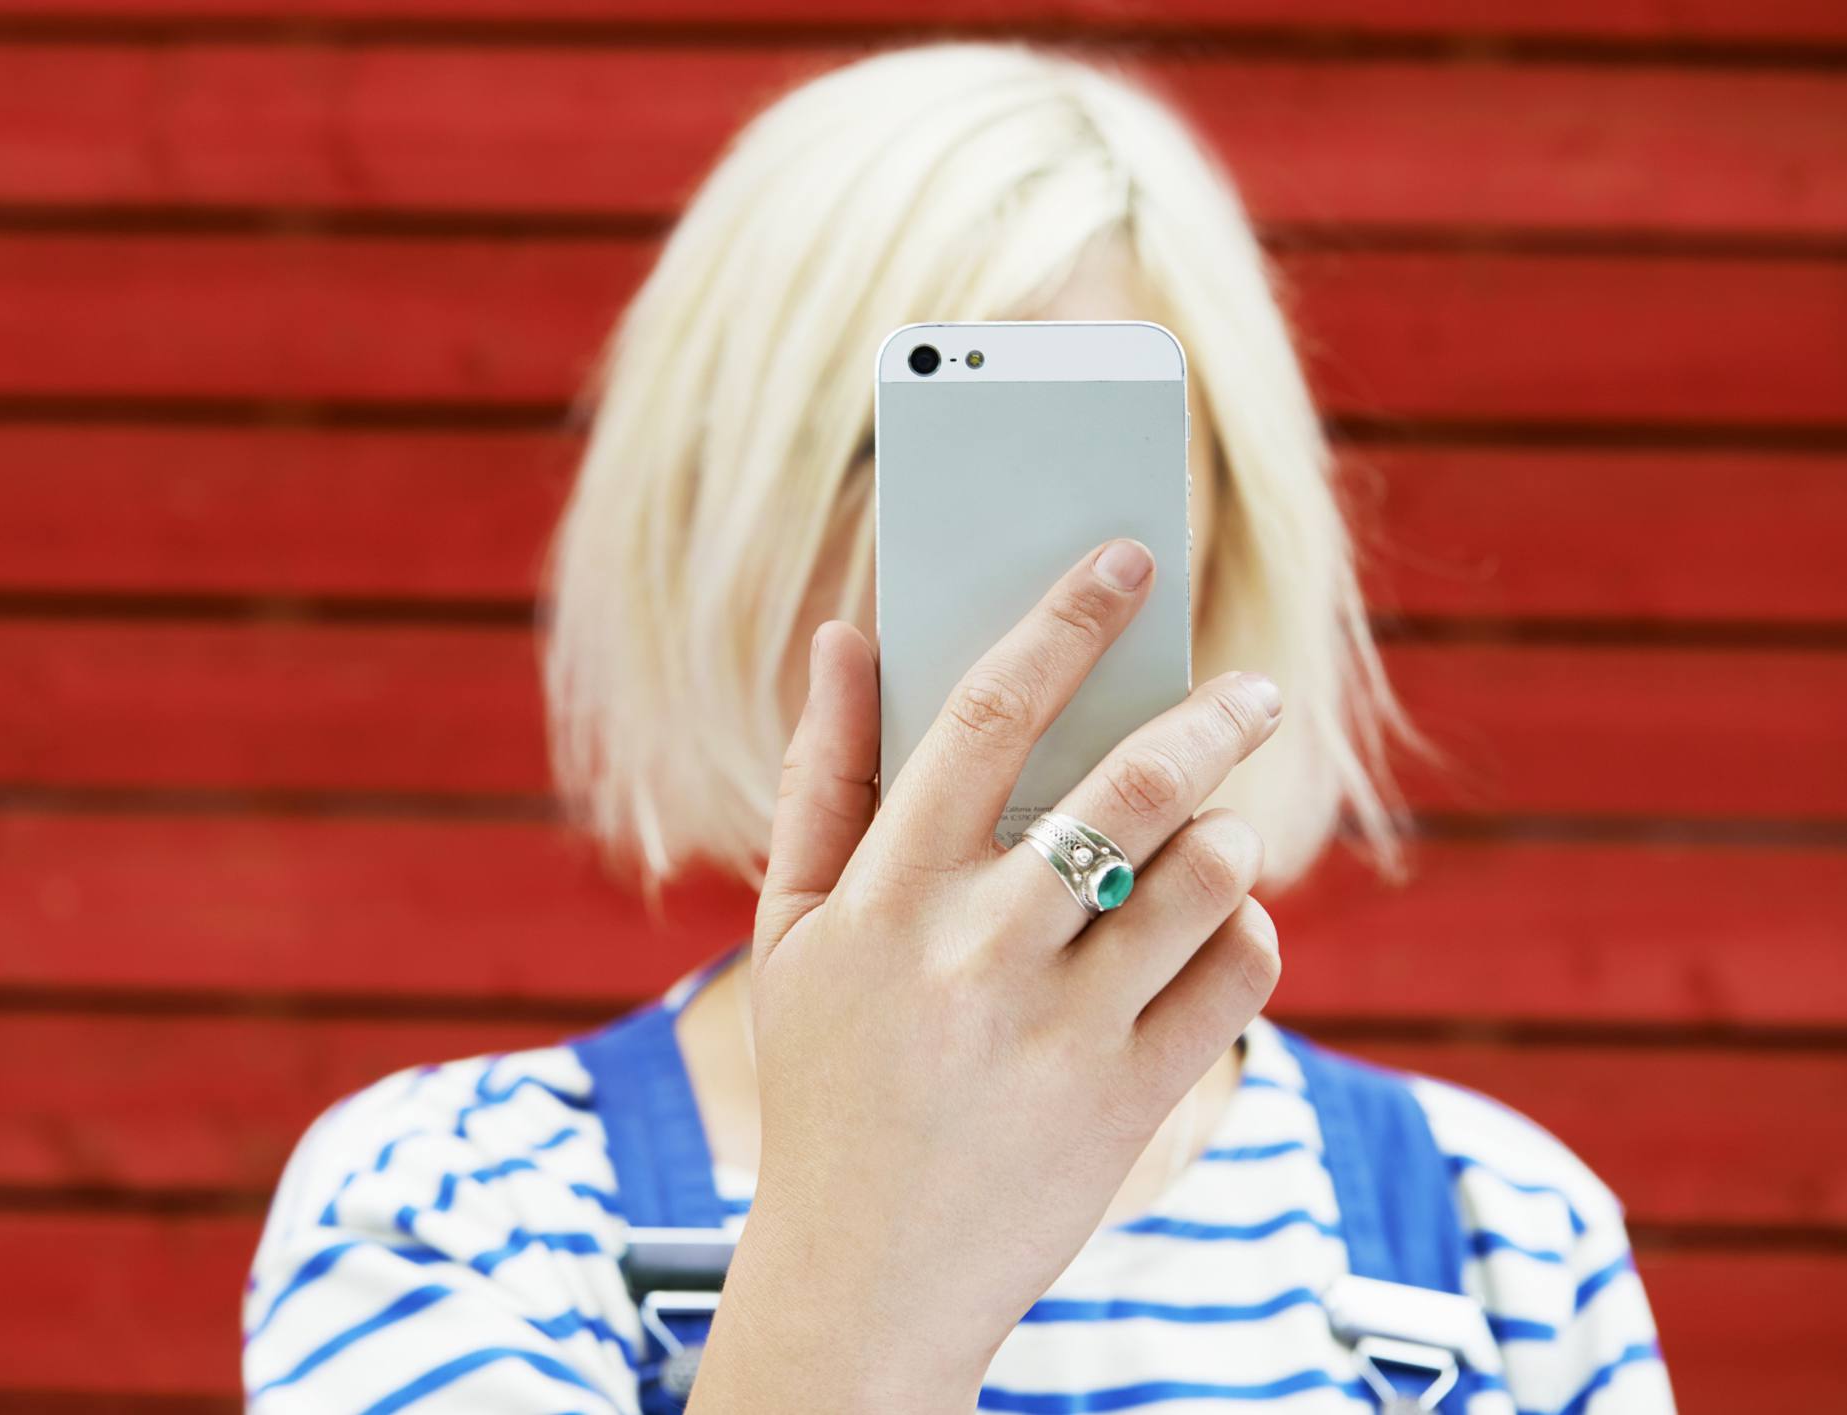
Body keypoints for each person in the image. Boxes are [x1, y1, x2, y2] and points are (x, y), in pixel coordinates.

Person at [242, 41, 1673, 1414]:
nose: (995, 588)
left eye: (1083, 465)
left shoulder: (1504, 1243)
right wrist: (862, 1261)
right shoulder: (445, 1209)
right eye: (895, 452)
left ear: (1228, 540)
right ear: (709, 516)